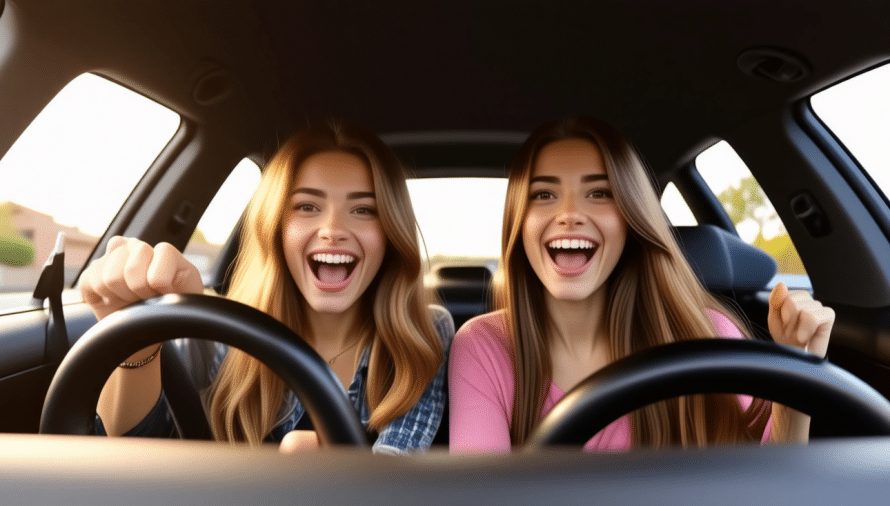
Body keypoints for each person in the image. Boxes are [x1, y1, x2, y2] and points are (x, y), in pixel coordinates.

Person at [449, 116, 835, 452]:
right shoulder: (484, 346)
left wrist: (795, 372)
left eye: (599, 193)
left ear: (630, 221)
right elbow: (483, 500)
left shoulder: (704, 332)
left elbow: (768, 487)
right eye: (544, 194)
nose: (569, 214)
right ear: (519, 223)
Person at [81, 122, 452, 455]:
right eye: (307, 206)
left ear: (390, 233)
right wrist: (133, 334)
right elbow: (138, 460)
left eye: (364, 210)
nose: (333, 229)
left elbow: (397, 463)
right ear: (275, 228)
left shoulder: (422, 335)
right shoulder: (220, 332)